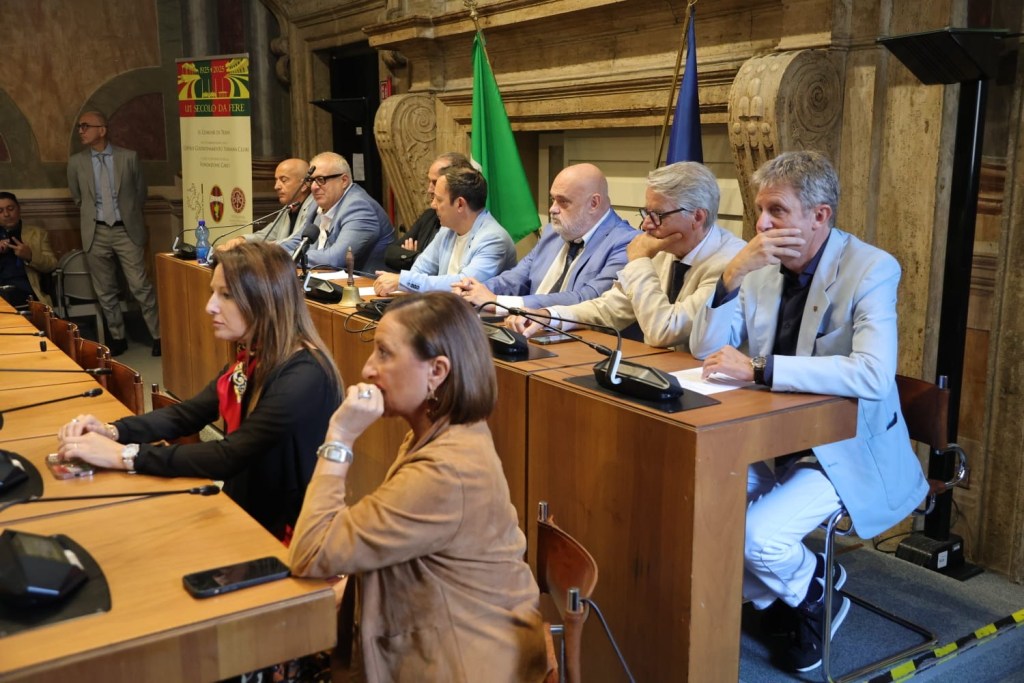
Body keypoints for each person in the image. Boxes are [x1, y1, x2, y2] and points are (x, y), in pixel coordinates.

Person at [690, 150, 928, 673]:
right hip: (767, 435)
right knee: (705, 509)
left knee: (755, 537)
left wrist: (760, 368)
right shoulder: (757, 267)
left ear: (820, 215)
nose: (761, 224)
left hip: (843, 444)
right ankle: (790, 592)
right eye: (758, 210)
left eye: (777, 210)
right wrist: (729, 277)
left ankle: (813, 596)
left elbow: (872, 374)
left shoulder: (870, 268)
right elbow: (703, 349)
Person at [288, 292, 548, 682]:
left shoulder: (446, 470)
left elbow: (310, 553)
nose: (367, 368)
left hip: (460, 663)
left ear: (437, 372)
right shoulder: (445, 433)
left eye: (384, 353)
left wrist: (339, 436)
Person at [56, 241, 343, 541]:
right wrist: (111, 431)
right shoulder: (255, 355)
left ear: (264, 300)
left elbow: (229, 455)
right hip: (245, 514)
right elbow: (186, 415)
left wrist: (126, 456)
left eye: (226, 295)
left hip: (287, 539)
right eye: (213, 292)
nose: (210, 306)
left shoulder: (304, 376)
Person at [507, 162, 744, 350]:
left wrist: (640, 261)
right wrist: (549, 316)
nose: (646, 225)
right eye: (646, 212)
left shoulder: (730, 262)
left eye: (658, 215)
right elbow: (610, 307)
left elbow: (665, 331)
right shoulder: (663, 249)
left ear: (698, 217)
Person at [452, 162, 635, 312]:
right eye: (552, 199)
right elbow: (516, 277)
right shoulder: (553, 232)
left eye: (563, 201)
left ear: (593, 203)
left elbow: (587, 298)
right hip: (531, 331)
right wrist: (473, 291)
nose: (552, 209)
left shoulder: (626, 243)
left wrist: (498, 302)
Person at [67, 110, 161, 357]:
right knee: (105, 290)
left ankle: (158, 335)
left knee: (140, 286)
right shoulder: (76, 162)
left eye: (85, 126)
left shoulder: (128, 158)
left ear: (102, 130)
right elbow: (78, 197)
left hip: (125, 230)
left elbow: (140, 192)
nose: (81, 131)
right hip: (96, 231)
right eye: (79, 127)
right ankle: (117, 337)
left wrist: (126, 215)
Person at [373, 166, 517, 296]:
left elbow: (464, 284)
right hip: (447, 311)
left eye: (439, 200)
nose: (433, 205)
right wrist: (403, 281)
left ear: (460, 204)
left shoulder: (493, 239)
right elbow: (420, 268)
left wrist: (403, 281)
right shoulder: (447, 230)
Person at [278, 151, 394, 273]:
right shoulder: (317, 205)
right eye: (311, 180)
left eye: (320, 179)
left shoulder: (359, 208)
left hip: (364, 287)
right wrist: (267, 254)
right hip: (324, 281)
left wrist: (283, 259)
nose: (313, 187)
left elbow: (335, 258)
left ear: (344, 180)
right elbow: (299, 241)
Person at [383, 152, 470, 271]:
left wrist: (412, 258)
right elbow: (390, 253)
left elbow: (442, 272)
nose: (429, 189)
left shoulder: (475, 232)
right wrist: (417, 258)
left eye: (435, 182)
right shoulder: (430, 216)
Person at [0, 192, 58, 308]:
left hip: (27, 292)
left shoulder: (38, 234)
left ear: (19, 209)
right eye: (0, 211)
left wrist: (30, 256)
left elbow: (52, 264)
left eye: (10, 208)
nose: (6, 214)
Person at [247, 157, 317, 243]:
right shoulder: (287, 209)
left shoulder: (314, 208)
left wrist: (268, 248)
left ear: (304, 185)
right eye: (276, 180)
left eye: (284, 180)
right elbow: (268, 235)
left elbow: (296, 241)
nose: (276, 187)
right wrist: (242, 240)